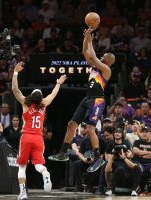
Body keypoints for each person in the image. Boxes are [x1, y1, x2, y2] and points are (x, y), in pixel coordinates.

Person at [49, 28, 115, 173]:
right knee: (71, 124)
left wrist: (90, 41)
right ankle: (63, 152)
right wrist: (86, 38)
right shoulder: (94, 68)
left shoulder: (106, 70)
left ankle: (98, 158)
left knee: (91, 128)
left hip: (97, 100)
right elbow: (86, 53)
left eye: (104, 56)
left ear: (108, 61)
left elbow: (94, 57)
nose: (102, 57)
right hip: (87, 98)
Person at [12, 62, 67, 200]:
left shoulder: (25, 103)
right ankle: (45, 173)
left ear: (31, 97)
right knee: (38, 164)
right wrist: (58, 83)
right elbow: (53, 94)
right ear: (41, 98)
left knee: (22, 167)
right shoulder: (45, 104)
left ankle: (23, 193)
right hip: (38, 138)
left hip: (26, 137)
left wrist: (15, 72)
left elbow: (15, 89)